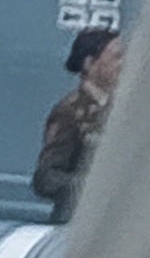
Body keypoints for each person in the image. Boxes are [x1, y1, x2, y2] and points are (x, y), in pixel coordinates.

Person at [33, 25, 124, 223]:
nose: (123, 64)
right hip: (75, 227)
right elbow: (46, 179)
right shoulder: (70, 112)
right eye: (116, 57)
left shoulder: (124, 111)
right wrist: (91, 187)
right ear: (89, 64)